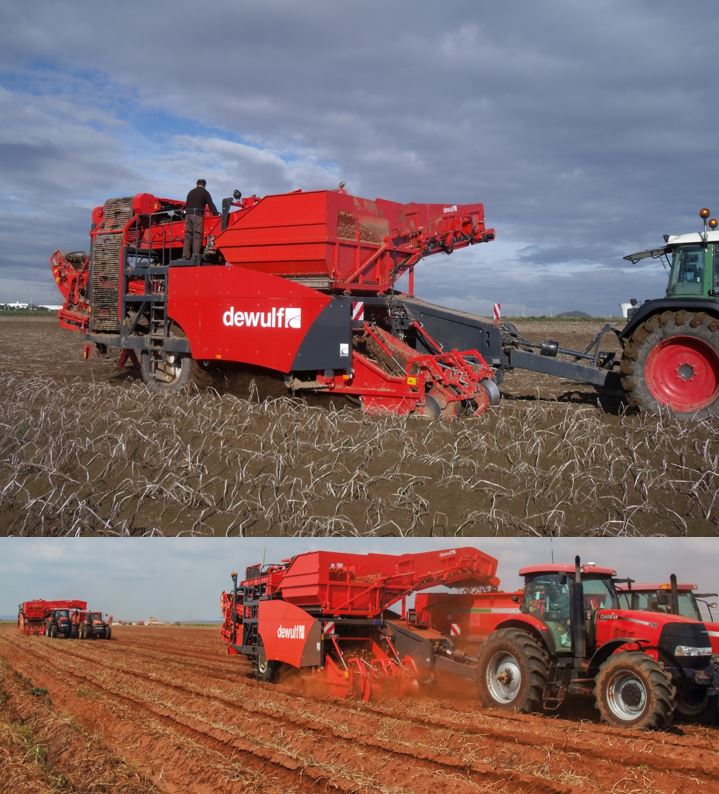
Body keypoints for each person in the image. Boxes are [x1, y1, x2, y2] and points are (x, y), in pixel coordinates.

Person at [182, 179, 218, 263]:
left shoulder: (190, 192)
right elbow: (211, 205)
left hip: (188, 215)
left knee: (188, 235)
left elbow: (186, 204)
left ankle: (185, 255)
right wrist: (216, 215)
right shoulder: (205, 192)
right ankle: (195, 255)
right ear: (204, 185)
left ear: (197, 184)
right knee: (197, 234)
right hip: (197, 215)